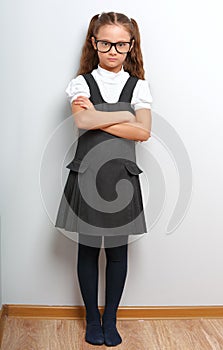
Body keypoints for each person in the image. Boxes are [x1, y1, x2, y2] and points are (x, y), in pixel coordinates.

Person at [55, 11, 152, 347]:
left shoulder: (138, 86)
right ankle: (92, 321)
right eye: (106, 42)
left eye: (121, 44)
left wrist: (97, 115)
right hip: (87, 176)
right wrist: (125, 116)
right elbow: (82, 124)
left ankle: (110, 318)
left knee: (117, 253)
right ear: (94, 43)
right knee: (86, 251)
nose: (113, 50)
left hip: (121, 179)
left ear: (131, 46)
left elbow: (145, 132)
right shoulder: (81, 83)